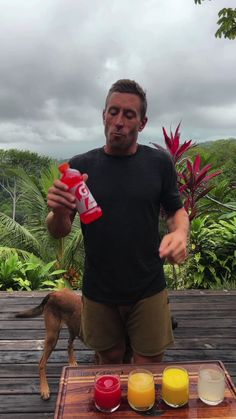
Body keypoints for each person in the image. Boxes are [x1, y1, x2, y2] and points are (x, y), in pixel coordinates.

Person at [46, 79, 189, 365]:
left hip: (148, 287)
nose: (119, 121)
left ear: (142, 122)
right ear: (103, 115)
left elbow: (176, 210)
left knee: (148, 367)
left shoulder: (159, 163)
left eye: (129, 114)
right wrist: (59, 211)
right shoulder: (79, 168)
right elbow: (59, 230)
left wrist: (181, 233)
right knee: (109, 363)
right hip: (100, 291)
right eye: (113, 112)